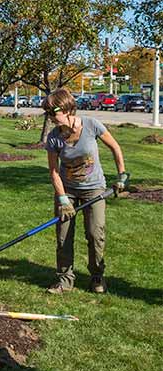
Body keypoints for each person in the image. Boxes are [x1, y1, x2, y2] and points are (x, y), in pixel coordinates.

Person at [43, 89, 128, 294]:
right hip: (67, 190)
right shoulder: (54, 137)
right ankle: (65, 280)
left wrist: (122, 176)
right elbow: (54, 171)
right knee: (64, 236)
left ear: (66, 108)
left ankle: (97, 277)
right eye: (47, 113)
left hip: (94, 189)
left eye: (53, 112)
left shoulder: (91, 125)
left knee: (95, 233)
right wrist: (63, 199)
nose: (51, 117)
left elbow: (115, 147)